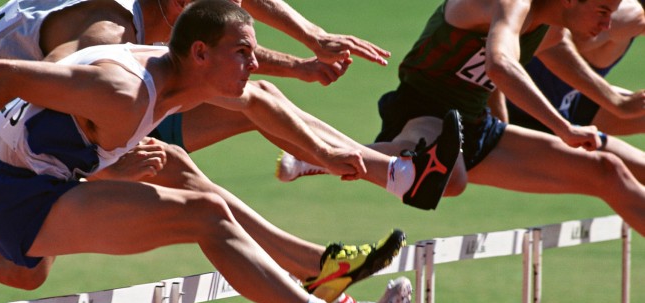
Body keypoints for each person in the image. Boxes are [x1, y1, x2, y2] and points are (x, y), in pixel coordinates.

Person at [0, 0, 413, 303]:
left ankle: (328, 285)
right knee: (204, 216)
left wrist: (325, 154)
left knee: (182, 172)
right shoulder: (123, 91)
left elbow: (259, 101)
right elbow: (2, 76)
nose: (252, 65)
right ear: (200, 53)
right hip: (14, 191)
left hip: (49, 168)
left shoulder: (178, 72)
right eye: (243, 55)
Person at [0, 0, 462, 281]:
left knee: (249, 108)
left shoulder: (173, 29)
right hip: (43, 124)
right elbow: (44, 102)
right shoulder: (102, 35)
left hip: (104, 112)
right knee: (33, 269)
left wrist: (309, 44)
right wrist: (101, 156)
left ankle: (343, 233)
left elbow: (230, 32)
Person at [276, 0, 645, 237]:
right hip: (425, 105)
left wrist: (617, 103)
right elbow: (499, 65)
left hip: (473, 123)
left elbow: (558, 58)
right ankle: (321, 156)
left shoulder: (551, 28)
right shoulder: (513, 4)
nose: (608, 21)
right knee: (450, 179)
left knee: (607, 172)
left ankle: (329, 156)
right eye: (602, 10)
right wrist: (563, 128)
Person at [504, 0, 644, 136]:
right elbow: (556, 48)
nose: (605, 24)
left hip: (563, 103)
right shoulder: (630, 14)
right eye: (603, 12)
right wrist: (618, 102)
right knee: (606, 160)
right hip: (529, 109)